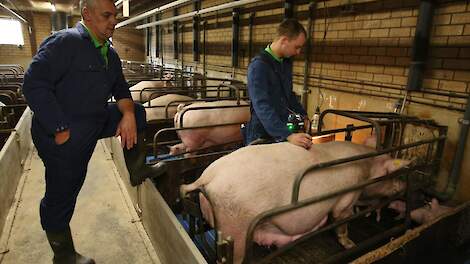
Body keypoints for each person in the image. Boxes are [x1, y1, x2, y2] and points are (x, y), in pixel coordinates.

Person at [22, 0, 163, 263]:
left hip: (94, 120)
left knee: (139, 111)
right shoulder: (64, 43)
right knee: (63, 191)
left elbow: (121, 90)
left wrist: (129, 114)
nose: (113, 21)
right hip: (62, 131)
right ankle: (63, 256)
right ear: (86, 14)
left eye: (115, 15)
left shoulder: (109, 54)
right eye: (106, 15)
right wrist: (60, 128)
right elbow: (33, 85)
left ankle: (137, 168)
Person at [243, 19, 312, 149]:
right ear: (284, 40)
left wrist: (303, 115)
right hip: (262, 133)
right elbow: (262, 105)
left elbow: (288, 95)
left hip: (282, 127)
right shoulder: (258, 66)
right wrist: (287, 135)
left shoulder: (285, 62)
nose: (298, 52)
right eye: (297, 47)